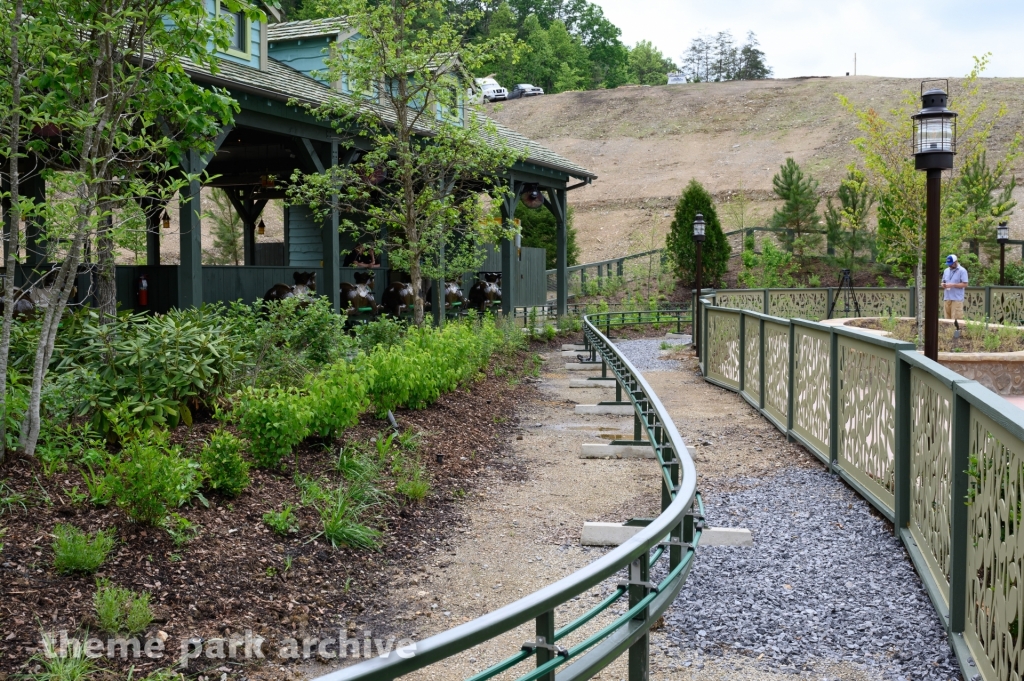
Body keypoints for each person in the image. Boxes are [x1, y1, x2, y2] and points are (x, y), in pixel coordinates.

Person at [942, 254, 968, 321]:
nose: (949, 265)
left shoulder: (962, 270)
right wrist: (943, 285)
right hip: (947, 298)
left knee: (956, 321)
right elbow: (942, 282)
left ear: (956, 262)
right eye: (948, 264)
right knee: (946, 321)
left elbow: (965, 284)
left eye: (951, 264)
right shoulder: (946, 271)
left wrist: (953, 285)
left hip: (956, 299)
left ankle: (956, 332)